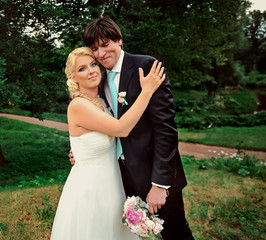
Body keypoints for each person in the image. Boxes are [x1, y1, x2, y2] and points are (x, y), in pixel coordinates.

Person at [69, 17, 194, 240]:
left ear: (119, 40)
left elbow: (165, 129)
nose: (100, 54)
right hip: (120, 178)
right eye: (95, 49)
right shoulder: (99, 77)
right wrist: (82, 149)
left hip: (154, 174)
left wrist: (160, 184)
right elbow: (102, 123)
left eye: (105, 44)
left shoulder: (145, 67)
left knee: (176, 234)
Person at [50, 47, 165, 239]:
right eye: (82, 69)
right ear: (74, 78)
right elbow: (121, 129)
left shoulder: (102, 101)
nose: (92, 70)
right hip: (91, 189)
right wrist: (147, 91)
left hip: (112, 183)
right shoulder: (78, 105)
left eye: (93, 64)